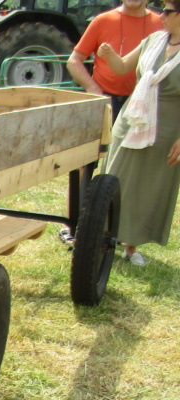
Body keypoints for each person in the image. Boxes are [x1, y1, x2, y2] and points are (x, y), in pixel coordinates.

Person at [97, 0, 180, 266]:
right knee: (114, 176)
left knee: (146, 186)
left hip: (166, 129)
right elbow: (122, 67)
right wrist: (108, 54)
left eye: (168, 11)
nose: (162, 15)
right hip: (132, 120)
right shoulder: (153, 39)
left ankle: (130, 246)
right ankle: (98, 237)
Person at [68, 0, 163, 121]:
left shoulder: (162, 24)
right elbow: (74, 61)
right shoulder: (102, 21)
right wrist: (92, 88)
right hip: (106, 100)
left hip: (145, 102)